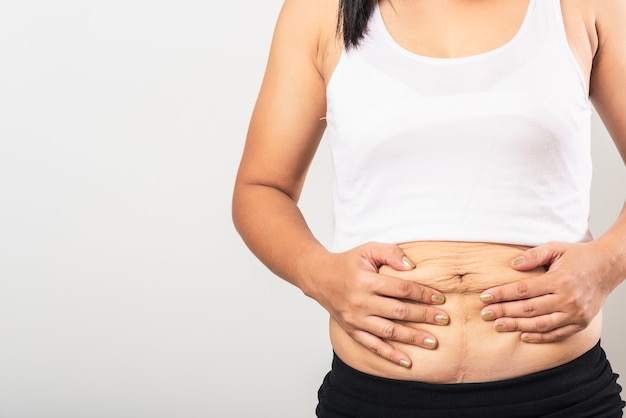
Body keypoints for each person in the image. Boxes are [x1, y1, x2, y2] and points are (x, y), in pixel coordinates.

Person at [232, 0, 626, 416]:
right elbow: (261, 187)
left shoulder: (586, 6)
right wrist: (319, 274)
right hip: (375, 397)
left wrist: (607, 263)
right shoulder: (319, 12)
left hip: (559, 398)